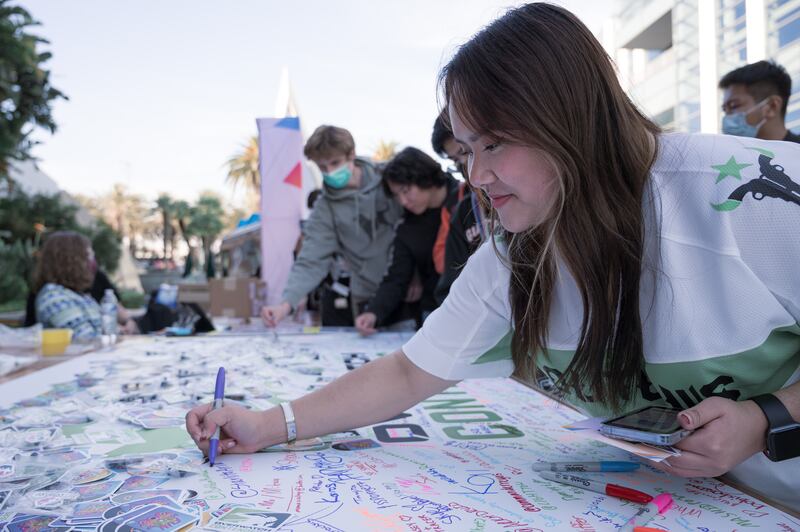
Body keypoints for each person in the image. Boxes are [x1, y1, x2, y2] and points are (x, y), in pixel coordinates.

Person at [187, 3, 800, 511]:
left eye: (496, 142)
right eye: (466, 148)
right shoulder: (516, 255)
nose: (477, 174)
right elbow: (408, 372)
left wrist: (768, 416)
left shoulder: (751, 193)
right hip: (706, 509)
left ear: (570, 117)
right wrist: (267, 425)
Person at [260, 125, 402, 327]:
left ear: (351, 154)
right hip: (367, 297)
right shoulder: (324, 209)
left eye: (335, 163)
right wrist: (284, 305)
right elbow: (311, 259)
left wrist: (416, 275)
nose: (330, 172)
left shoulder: (388, 178)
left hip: (409, 289)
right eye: (322, 167)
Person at [353, 147, 462, 335]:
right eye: (397, 195)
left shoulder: (466, 199)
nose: (403, 201)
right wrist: (373, 312)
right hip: (433, 312)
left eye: (405, 190)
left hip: (474, 307)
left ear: (424, 177)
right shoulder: (407, 227)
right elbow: (397, 276)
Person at [32, 232, 102, 339]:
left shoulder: (78, 295)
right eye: (87, 256)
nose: (92, 261)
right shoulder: (53, 297)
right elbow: (86, 338)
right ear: (71, 261)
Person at [719, 60, 800, 143]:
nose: (726, 117)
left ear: (772, 106)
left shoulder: (796, 152)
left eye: (734, 106)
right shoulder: (731, 154)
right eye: (724, 110)